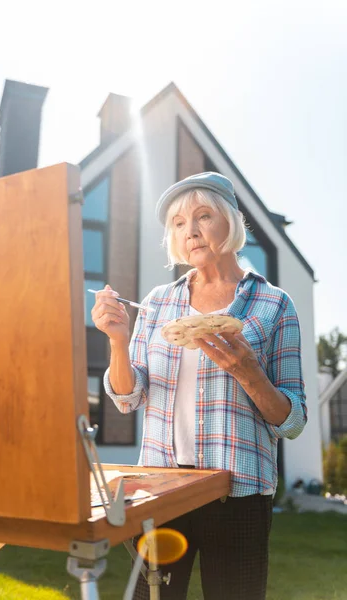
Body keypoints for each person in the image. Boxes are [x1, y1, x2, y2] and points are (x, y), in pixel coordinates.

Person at [91, 172, 307, 600]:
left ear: (230, 222)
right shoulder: (157, 303)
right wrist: (117, 341)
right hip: (161, 489)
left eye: (203, 216)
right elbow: (127, 397)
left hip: (238, 490)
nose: (190, 231)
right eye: (178, 222)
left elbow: (293, 421)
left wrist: (248, 371)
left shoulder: (274, 304)